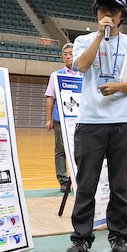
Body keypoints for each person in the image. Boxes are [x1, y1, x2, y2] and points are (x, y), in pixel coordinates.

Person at [65, 0, 127, 252]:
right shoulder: (84, 40)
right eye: (102, 10)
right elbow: (81, 66)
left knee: (119, 183)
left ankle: (119, 237)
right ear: (96, 13)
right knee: (86, 184)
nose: (107, 15)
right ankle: (81, 238)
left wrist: (119, 87)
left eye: (113, 11)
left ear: (122, 14)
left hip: (123, 122)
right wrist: (100, 36)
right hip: (90, 122)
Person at [44, 42, 80, 193]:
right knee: (60, 150)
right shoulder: (56, 75)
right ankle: (63, 181)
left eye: (71, 53)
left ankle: (81, 178)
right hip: (61, 119)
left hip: (81, 119)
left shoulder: (84, 73)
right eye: (65, 54)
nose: (68, 56)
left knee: (81, 148)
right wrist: (49, 118)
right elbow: (50, 97)